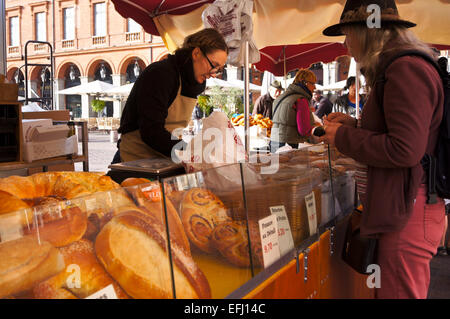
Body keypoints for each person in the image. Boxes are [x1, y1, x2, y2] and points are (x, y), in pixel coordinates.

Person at [321, 0, 445, 298]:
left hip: (410, 208)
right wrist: (352, 125)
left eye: (348, 34)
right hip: (404, 204)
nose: (346, 44)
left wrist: (342, 138)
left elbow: (404, 149)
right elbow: (400, 133)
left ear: (367, 32)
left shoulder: (406, 68)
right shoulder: (400, 66)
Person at [111, 28, 228, 163]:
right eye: (213, 65)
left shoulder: (194, 82)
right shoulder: (161, 74)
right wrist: (190, 151)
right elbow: (151, 131)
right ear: (196, 53)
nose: (213, 74)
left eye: (218, 70)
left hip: (165, 157)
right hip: (136, 158)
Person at [270, 69, 318, 153]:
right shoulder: (301, 100)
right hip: (288, 145)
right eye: (313, 83)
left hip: (274, 141)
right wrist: (315, 128)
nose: (315, 87)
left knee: (275, 165)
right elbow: (303, 130)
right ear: (305, 83)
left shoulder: (281, 97)